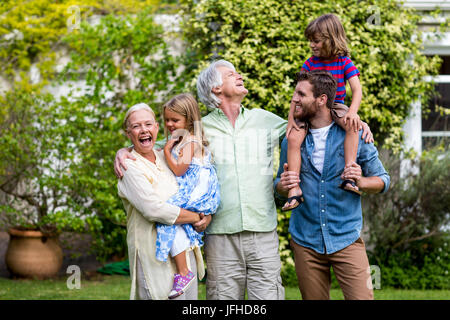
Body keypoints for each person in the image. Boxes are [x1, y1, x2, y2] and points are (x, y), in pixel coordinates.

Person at [115, 60, 288, 300]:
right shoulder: (198, 129)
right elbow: (150, 146)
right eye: (230, 74)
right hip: (219, 235)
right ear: (215, 88)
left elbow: (301, 130)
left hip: (263, 233)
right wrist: (123, 151)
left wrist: (346, 114)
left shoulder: (265, 120)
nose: (239, 76)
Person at [274, 70, 390, 300]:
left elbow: (383, 180)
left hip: (346, 238)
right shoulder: (292, 139)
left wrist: (361, 181)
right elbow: (279, 188)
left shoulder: (354, 133)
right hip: (305, 241)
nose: (294, 99)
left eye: (301, 94)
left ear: (322, 99)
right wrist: (283, 185)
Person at [117, 102, 207, 300]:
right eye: (136, 126)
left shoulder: (166, 155)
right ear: (128, 133)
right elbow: (154, 210)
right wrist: (195, 217)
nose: (143, 130)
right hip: (153, 253)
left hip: (184, 247)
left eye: (148, 124)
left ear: (157, 127)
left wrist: (205, 216)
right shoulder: (128, 166)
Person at [283, 13, 365, 211]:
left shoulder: (344, 62)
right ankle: (294, 189)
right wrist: (291, 119)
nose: (312, 45)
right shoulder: (310, 63)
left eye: (316, 41)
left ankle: (349, 175)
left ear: (331, 39)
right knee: (293, 138)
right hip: (311, 107)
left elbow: (357, 90)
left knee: (352, 128)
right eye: (310, 40)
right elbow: (299, 92)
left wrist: (353, 112)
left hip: (336, 106)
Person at [157, 93, 220, 299]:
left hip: (197, 191)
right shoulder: (184, 139)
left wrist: (167, 150)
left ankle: (184, 272)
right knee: (175, 222)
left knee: (170, 216)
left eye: (175, 120)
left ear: (189, 120)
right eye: (167, 120)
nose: (169, 124)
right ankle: (183, 270)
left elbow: (179, 170)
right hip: (194, 189)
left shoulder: (190, 141)